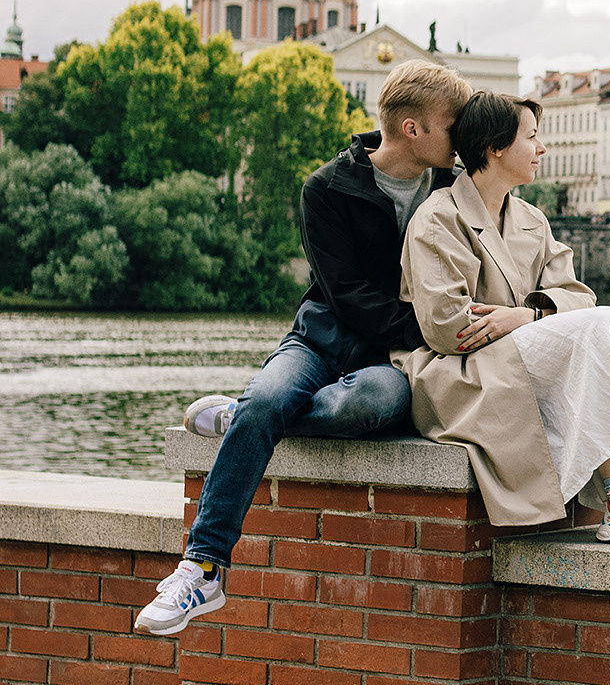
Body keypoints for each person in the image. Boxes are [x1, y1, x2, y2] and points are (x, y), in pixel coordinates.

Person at [137, 61, 474, 636]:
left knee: (357, 410)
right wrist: (437, 329)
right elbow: (346, 295)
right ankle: (203, 568)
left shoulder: (455, 185)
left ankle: (239, 421)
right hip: (321, 336)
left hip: (388, 361)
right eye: (454, 124)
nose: (463, 137)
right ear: (413, 128)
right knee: (270, 398)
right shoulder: (327, 187)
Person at [398, 90, 610, 547]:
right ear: (496, 147)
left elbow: (580, 297)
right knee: (598, 329)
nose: (543, 149)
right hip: (462, 372)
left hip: (517, 351)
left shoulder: (531, 219)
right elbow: (449, 327)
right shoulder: (438, 218)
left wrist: (522, 316)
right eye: (533, 137)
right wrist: (531, 320)